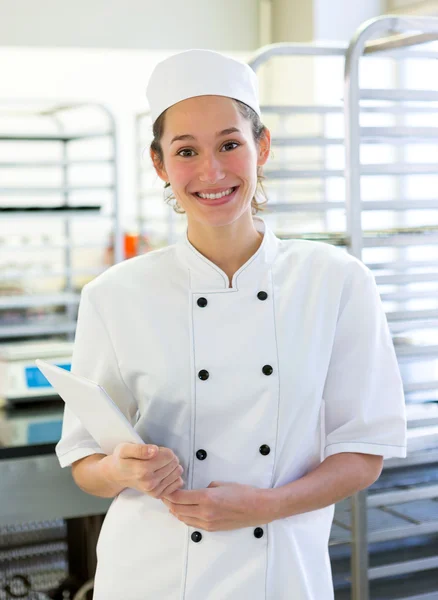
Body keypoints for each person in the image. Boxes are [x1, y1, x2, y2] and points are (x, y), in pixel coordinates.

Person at [55, 49, 407, 600]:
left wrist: (266, 505)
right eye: (186, 151)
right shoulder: (114, 295)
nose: (211, 171)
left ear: (261, 147)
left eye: (229, 144)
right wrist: (124, 469)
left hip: (278, 571)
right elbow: (85, 463)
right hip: (148, 573)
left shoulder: (335, 281)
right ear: (160, 165)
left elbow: (363, 450)